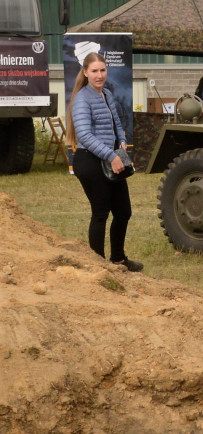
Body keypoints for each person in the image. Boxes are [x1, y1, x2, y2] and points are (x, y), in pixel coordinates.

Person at [66, 52, 143, 272]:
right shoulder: (82, 98)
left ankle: (118, 259)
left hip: (112, 158)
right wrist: (112, 156)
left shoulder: (106, 94)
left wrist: (122, 142)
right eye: (94, 71)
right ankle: (98, 267)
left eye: (102, 70)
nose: (99, 75)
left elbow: (117, 123)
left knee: (123, 212)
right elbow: (85, 136)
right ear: (85, 72)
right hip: (90, 162)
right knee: (100, 213)